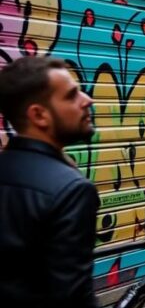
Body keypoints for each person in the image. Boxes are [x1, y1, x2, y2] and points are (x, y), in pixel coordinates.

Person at [0, 56, 99, 308]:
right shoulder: (71, 191)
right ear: (39, 115)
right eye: (71, 95)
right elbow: (73, 297)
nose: (88, 100)